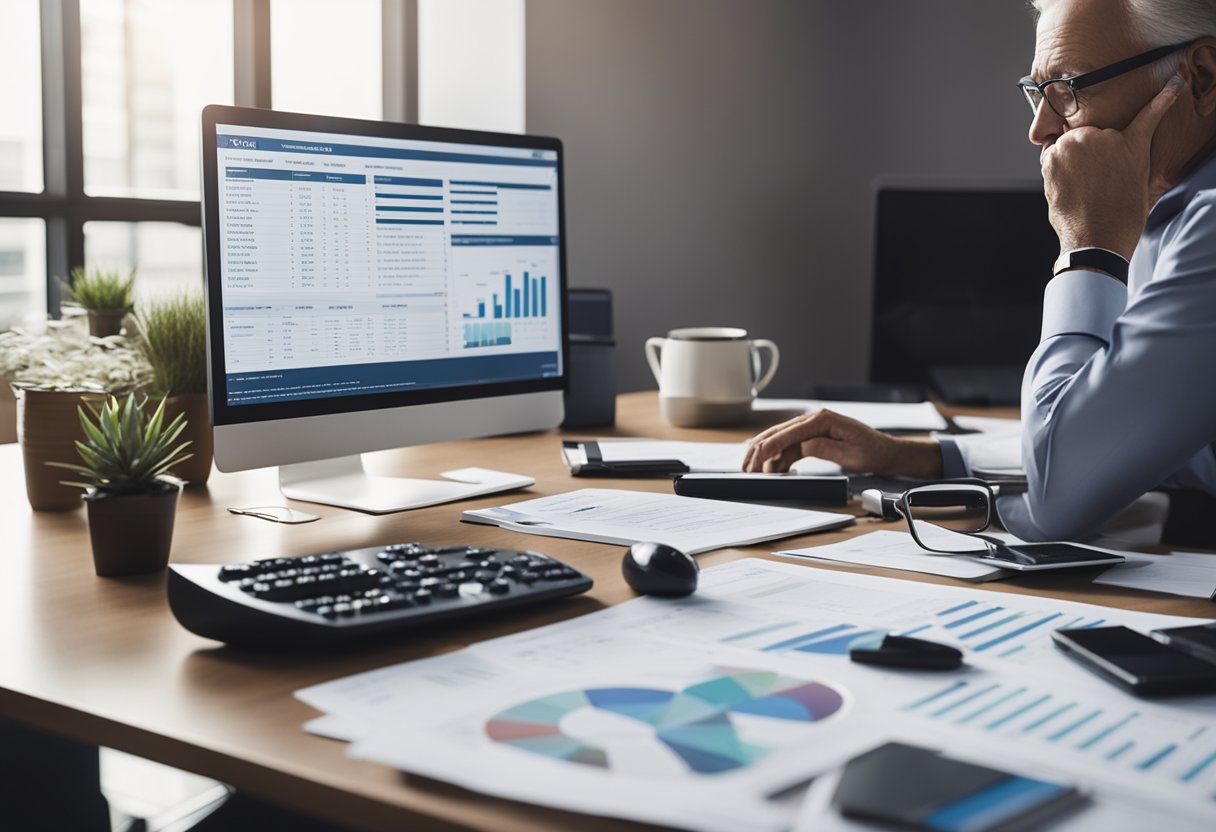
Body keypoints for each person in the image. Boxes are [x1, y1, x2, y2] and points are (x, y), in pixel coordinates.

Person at [744, 0, 1216, 543]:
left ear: (1201, 77)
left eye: (1068, 88)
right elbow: (1134, 431)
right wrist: (916, 456)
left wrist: (1088, 250)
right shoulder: (1173, 210)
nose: (1040, 129)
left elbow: (1059, 495)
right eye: (1037, 92)